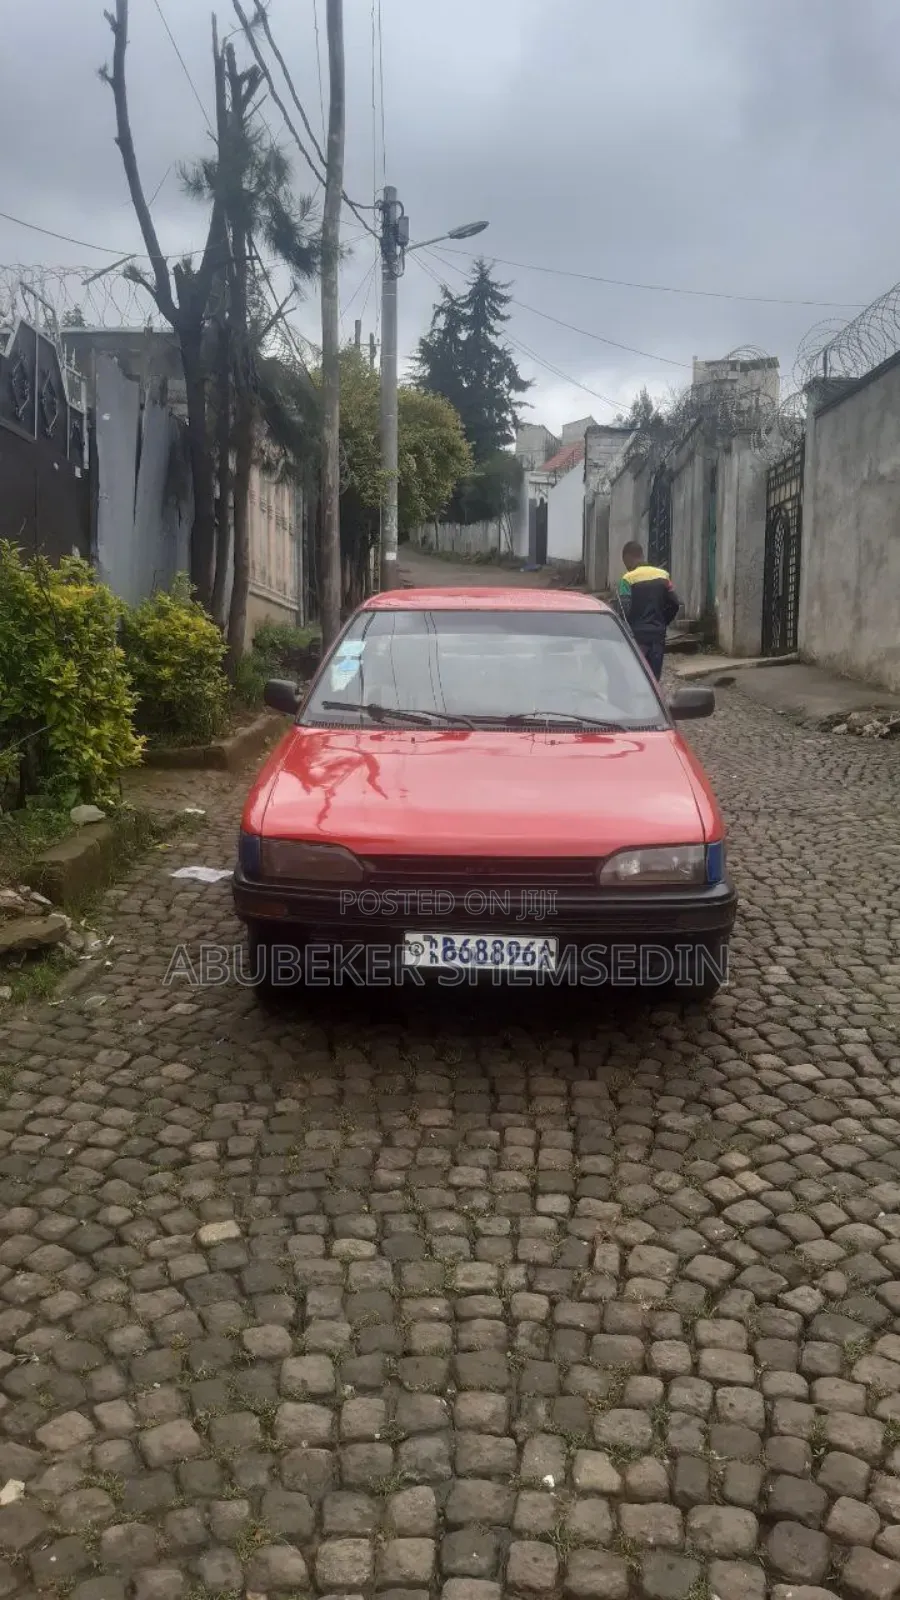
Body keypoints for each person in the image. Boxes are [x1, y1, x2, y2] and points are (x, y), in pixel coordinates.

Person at [616, 541, 681, 681]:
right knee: (654, 680)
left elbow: (624, 611)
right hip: (658, 636)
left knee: (637, 678)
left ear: (627, 558)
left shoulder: (627, 580)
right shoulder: (663, 576)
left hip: (637, 637)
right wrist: (663, 621)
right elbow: (675, 603)